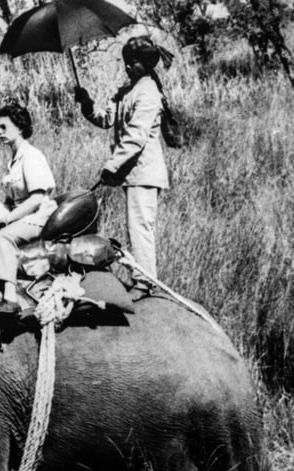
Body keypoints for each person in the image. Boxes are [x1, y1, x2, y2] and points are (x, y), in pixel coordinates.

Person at [74, 36, 171, 301]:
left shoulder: (149, 92)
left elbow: (136, 137)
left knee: (140, 227)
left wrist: (111, 167)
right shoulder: (127, 91)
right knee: (135, 227)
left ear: (148, 64)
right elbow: (106, 119)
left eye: (135, 62)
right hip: (133, 173)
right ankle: (141, 280)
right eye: (127, 62)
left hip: (145, 173)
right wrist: (87, 104)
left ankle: (144, 283)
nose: (129, 67)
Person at [0, 103, 57, 316]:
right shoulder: (14, 159)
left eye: (3, 127)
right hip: (24, 212)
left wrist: (9, 219)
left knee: (2, 238)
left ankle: (10, 297)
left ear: (19, 128)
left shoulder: (31, 156)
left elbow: (37, 197)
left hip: (39, 215)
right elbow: (12, 200)